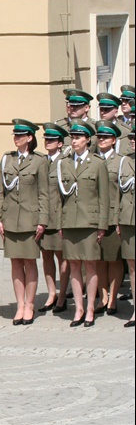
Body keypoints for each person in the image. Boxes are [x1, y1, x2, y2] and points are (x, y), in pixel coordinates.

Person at [0, 119, 49, 325]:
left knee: (30, 262)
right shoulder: (7, 159)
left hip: (30, 219)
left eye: (20, 135)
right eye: (15, 135)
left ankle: (30, 304)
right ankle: (20, 305)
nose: (16, 138)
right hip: (10, 219)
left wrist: (43, 220)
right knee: (15, 262)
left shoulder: (39, 161)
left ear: (29, 138)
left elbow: (44, 193)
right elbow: (0, 191)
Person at [57, 120, 109, 328]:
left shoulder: (97, 163)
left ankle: (90, 308)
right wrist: (61, 222)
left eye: (78, 137)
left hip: (90, 221)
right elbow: (60, 197)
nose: (74, 141)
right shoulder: (65, 163)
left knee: (90, 264)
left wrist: (102, 225)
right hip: (70, 221)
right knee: (74, 264)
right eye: (72, 137)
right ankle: (78, 308)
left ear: (88, 140)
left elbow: (104, 197)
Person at [39, 123, 71, 313]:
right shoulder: (42, 161)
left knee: (62, 257)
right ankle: (51, 293)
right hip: (43, 216)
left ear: (60, 143)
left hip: (59, 216)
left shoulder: (64, 162)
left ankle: (62, 295)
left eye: (52, 140)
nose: (48, 142)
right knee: (46, 256)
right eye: (46, 139)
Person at [94, 120, 125, 316]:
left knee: (113, 259)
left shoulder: (121, 161)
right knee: (98, 259)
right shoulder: (93, 159)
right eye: (99, 137)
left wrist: (120, 218)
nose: (101, 140)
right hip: (94, 216)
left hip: (113, 217)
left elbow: (123, 192)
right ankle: (102, 296)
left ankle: (113, 298)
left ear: (114, 140)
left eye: (105, 137)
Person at [116, 129, 134, 327]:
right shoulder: (125, 161)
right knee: (133, 266)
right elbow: (117, 193)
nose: (133, 141)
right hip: (129, 219)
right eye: (132, 138)